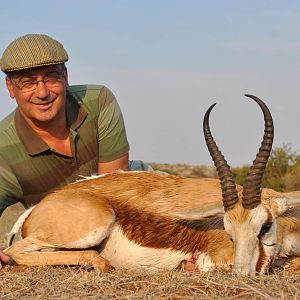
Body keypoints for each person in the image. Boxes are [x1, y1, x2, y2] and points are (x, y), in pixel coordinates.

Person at [0, 33, 152, 266]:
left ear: (66, 77)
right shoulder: (3, 147)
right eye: (28, 82)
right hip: (65, 230)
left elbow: (115, 188)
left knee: (156, 184)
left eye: (51, 78)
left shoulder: (98, 101)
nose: (42, 93)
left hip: (115, 201)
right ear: (10, 87)